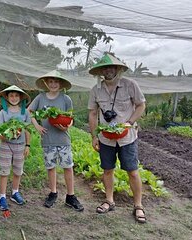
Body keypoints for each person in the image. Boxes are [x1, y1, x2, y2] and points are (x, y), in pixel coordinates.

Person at [88, 52, 147, 223]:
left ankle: (138, 206)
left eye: (112, 66)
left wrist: (130, 122)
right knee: (107, 169)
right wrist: (93, 136)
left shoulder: (130, 85)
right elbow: (92, 113)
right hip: (105, 137)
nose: (109, 70)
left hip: (127, 136)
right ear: (100, 71)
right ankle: (109, 200)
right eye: (105, 67)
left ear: (118, 68)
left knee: (132, 171)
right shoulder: (95, 90)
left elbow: (141, 105)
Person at [28, 70, 84, 212]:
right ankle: (53, 193)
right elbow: (29, 111)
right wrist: (37, 126)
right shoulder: (40, 98)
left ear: (61, 84)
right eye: (51, 82)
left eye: (56, 81)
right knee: (51, 167)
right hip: (48, 138)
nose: (53, 84)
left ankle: (70, 196)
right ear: (47, 83)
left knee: (68, 166)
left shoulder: (65, 99)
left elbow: (70, 118)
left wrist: (66, 127)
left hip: (63, 139)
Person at [0, 85, 31, 210]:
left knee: (18, 170)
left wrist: (27, 145)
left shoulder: (24, 112)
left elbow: (27, 130)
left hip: (20, 146)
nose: (14, 98)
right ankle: (2, 196)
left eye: (16, 95)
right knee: (4, 171)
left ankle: (15, 192)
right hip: (6, 145)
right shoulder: (3, 112)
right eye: (11, 95)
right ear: (7, 97)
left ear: (20, 97)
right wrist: (6, 136)